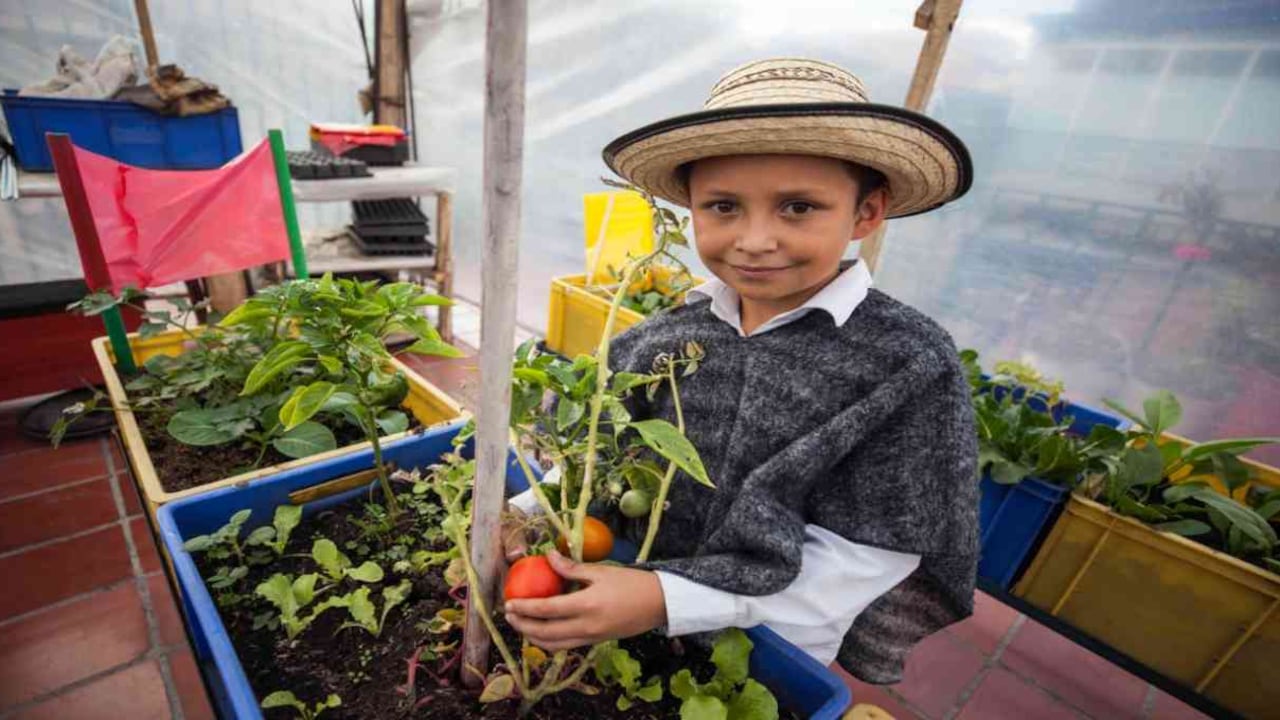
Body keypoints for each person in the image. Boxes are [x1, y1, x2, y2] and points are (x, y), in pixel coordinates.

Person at [502, 57, 978, 687]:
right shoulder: (661, 339)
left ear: (866, 214)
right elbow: (596, 452)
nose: (755, 239)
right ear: (691, 210)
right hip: (617, 602)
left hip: (770, 641)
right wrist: (527, 512)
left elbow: (871, 552)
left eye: (799, 208)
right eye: (723, 206)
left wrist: (664, 599)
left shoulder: (907, 360)